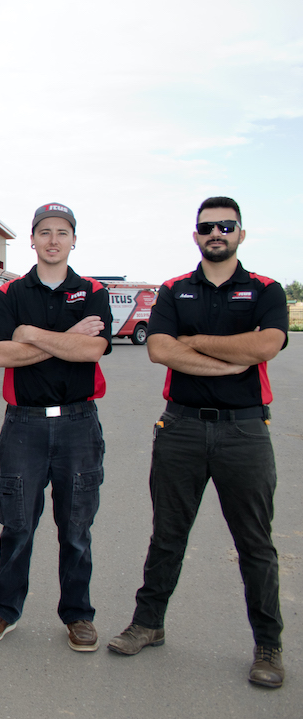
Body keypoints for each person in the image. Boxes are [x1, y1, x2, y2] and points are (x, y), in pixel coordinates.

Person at [108, 197, 287, 688]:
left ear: (240, 235)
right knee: (168, 535)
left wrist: (193, 342)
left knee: (255, 544)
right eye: (207, 227)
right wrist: (230, 358)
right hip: (181, 428)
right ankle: (148, 624)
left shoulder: (266, 289)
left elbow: (267, 344)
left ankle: (268, 645)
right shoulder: (174, 290)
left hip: (245, 431)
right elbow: (159, 349)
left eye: (226, 226)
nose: (216, 233)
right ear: (195, 235)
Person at [0, 202, 111, 652]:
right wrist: (69, 338)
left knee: (75, 527)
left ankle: (78, 616)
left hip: (78, 423)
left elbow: (92, 352)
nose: (53, 240)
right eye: (44, 232)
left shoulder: (93, 291)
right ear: (31, 240)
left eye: (62, 232)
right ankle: (3, 610)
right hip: (23, 426)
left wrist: (30, 335)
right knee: (17, 524)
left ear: (74, 240)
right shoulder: (12, 295)